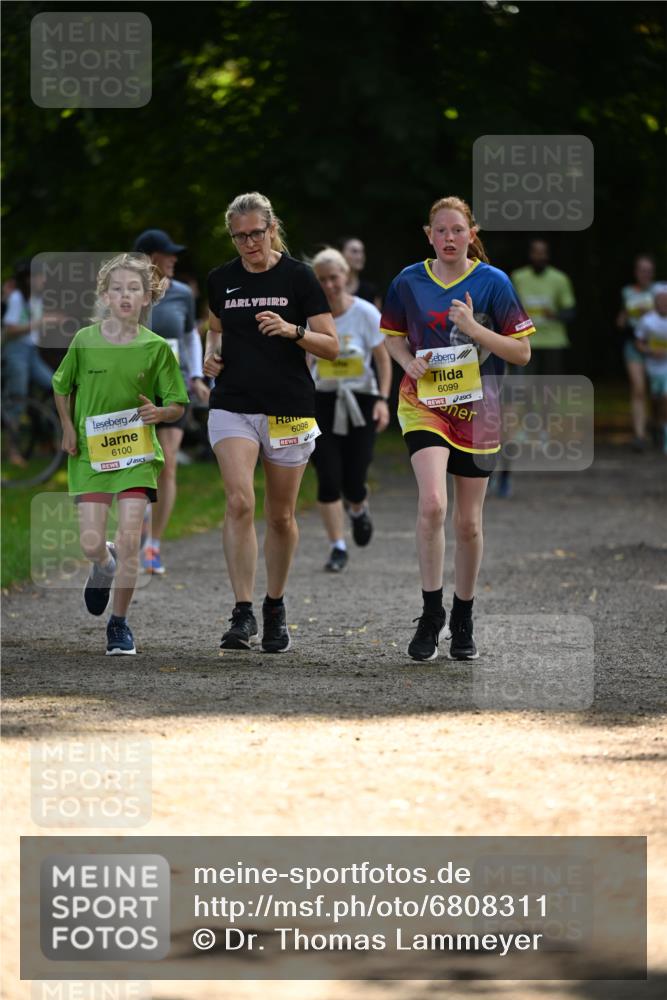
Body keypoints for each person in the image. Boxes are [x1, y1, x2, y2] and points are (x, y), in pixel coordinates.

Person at [382, 196, 535, 662]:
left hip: (479, 410)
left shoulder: (494, 282)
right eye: (440, 230)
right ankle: (432, 615)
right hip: (424, 404)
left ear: (472, 233)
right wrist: (410, 363)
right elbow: (392, 336)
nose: (449, 238)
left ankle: (463, 615)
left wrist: (473, 326)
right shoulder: (408, 281)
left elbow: (521, 352)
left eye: (457, 230)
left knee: (468, 522)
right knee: (432, 504)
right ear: (428, 235)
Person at [204, 192, 338, 653]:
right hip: (233, 404)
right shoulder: (221, 279)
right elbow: (215, 326)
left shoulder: (299, 277)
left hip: (288, 407)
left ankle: (274, 606)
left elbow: (332, 345)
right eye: (238, 236)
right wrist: (209, 353)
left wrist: (293, 330)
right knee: (240, 501)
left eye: (255, 234)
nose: (247, 244)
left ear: (271, 228)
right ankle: (242, 613)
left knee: (280, 516)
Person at [52, 253, 189, 655]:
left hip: (136, 456)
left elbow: (177, 404)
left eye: (134, 289)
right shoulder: (84, 340)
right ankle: (103, 564)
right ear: (106, 296)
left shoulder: (157, 348)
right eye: (118, 289)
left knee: (131, 539)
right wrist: (66, 426)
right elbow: (62, 386)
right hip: (90, 455)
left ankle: (119, 624)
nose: (125, 296)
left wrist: (160, 412)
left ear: (148, 297)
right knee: (92, 543)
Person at [132, 229, 210, 574]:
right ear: (149, 258)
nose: (175, 259)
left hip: (173, 387)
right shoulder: (126, 293)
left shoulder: (181, 294)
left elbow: (191, 336)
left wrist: (196, 377)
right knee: (136, 464)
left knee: (168, 466)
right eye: (168, 254)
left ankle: (153, 545)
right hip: (133, 390)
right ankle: (134, 531)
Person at [309, 247, 391, 571]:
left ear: (346, 276)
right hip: (322, 401)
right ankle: (337, 547)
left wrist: (383, 401)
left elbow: (383, 361)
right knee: (328, 477)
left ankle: (358, 508)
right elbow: (305, 362)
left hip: (361, 399)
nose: (330, 285)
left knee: (354, 477)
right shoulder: (312, 316)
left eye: (334, 277)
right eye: (323, 280)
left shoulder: (366, 313)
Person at [2, 259, 55, 466]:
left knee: (54, 385)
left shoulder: (36, 299)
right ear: (28, 279)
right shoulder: (17, 298)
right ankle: (13, 451)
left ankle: (49, 437)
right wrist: (39, 322)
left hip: (32, 352)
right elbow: (10, 329)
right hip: (16, 353)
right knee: (17, 400)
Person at [616, 254, 656, 451]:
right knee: (638, 388)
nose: (645, 274)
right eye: (641, 270)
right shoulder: (627, 292)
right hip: (633, 343)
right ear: (635, 272)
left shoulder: (660, 291)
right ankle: (639, 434)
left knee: (657, 391)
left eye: (648, 270)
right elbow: (621, 320)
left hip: (658, 345)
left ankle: (657, 426)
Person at [635, 283, 667, 455]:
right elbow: (639, 342)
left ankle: (664, 433)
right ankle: (656, 425)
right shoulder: (647, 321)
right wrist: (650, 351)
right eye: (660, 300)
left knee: (665, 397)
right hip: (653, 367)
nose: (663, 303)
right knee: (656, 401)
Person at [339, 236, 382, 309]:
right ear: (340, 254)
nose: (360, 257)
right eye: (354, 251)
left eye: (362, 252)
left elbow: (377, 319)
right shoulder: (330, 288)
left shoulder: (371, 291)